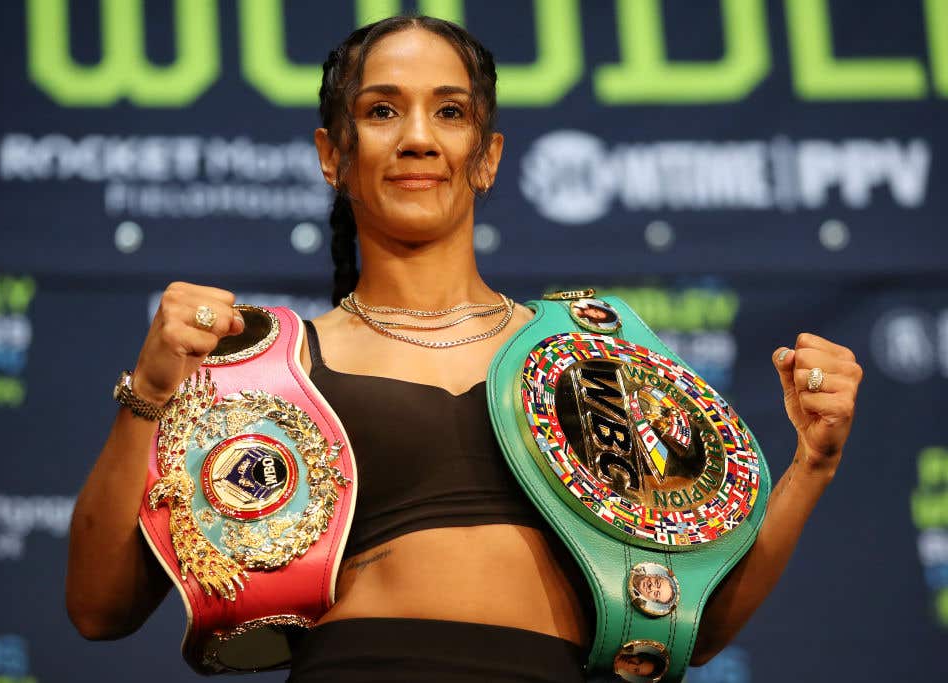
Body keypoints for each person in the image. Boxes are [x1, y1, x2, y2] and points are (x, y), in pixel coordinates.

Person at [65, 15, 863, 682]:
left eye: (448, 112)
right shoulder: (267, 367)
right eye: (382, 111)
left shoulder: (589, 359)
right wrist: (151, 391)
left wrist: (811, 466)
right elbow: (98, 608)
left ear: (487, 157)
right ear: (331, 153)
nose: (416, 137)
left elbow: (691, 625)